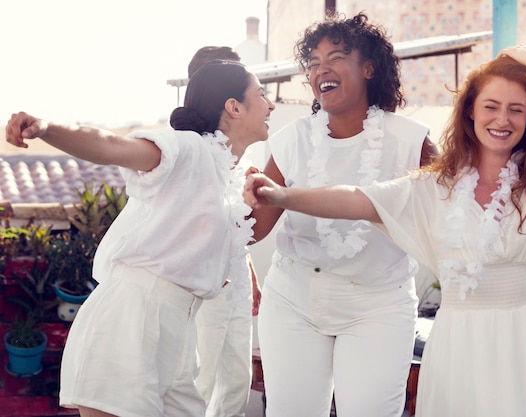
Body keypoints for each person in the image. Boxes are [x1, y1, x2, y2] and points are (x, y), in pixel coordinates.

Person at [243, 45, 526, 417]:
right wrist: (282, 195)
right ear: (470, 111)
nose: (503, 119)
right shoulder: (437, 187)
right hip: (459, 347)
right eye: (491, 106)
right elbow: (356, 199)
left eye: (516, 109)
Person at [5, 59, 275, 417]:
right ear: (233, 107)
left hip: (179, 332)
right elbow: (111, 146)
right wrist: (46, 128)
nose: (271, 104)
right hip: (133, 321)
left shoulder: (225, 177)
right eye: (262, 94)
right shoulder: (187, 148)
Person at [248, 12, 438, 417]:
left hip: (378, 304)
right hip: (293, 299)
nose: (322, 70)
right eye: (314, 63)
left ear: (368, 68)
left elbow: (446, 212)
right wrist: (237, 196)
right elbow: (254, 229)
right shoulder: (292, 139)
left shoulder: (411, 142)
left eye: (335, 57)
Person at [187, 45, 262, 417]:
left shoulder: (238, 153)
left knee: (237, 380)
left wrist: (249, 271)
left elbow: (233, 224)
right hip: (206, 281)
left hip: (236, 277)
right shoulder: (192, 153)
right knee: (202, 378)